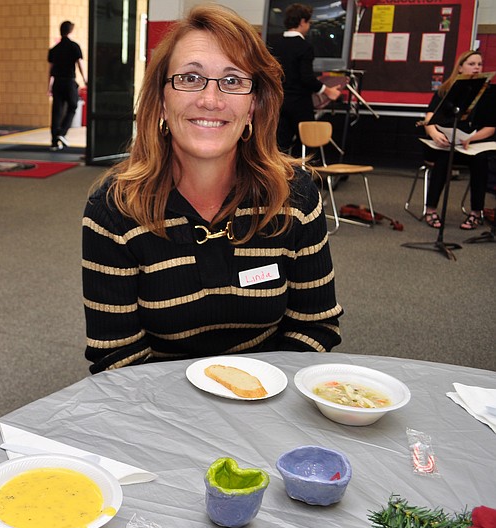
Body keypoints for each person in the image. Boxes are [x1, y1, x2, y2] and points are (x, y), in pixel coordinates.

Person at [82, 4, 342, 374]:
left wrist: (258, 397)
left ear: (253, 105)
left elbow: (314, 325)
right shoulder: (114, 209)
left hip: (268, 404)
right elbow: (118, 359)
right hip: (160, 417)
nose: (211, 100)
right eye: (190, 78)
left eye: (233, 80)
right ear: (161, 101)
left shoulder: (295, 196)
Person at [421, 50, 495, 230]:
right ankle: (430, 210)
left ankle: (476, 213)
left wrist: (470, 138)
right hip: (447, 143)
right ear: (460, 68)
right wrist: (433, 133)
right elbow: (429, 117)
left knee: (481, 161)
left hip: (472, 144)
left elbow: (491, 127)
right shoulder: (447, 89)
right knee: (443, 160)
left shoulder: (489, 93)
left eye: (479, 64)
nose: (477, 68)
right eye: (471, 64)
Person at [267, 3, 341, 153]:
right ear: (302, 22)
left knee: (280, 144)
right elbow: (306, 78)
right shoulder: (304, 47)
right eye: (308, 22)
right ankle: (300, 174)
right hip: (300, 103)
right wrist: (328, 91)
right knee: (306, 143)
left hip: (279, 102)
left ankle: (281, 175)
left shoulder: (275, 44)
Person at [48, 20, 86, 151]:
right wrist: (85, 79)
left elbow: (51, 70)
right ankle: (62, 132)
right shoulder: (74, 46)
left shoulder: (54, 49)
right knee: (73, 106)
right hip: (69, 81)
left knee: (56, 111)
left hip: (57, 82)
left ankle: (54, 141)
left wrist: (49, 86)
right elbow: (80, 64)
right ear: (70, 31)